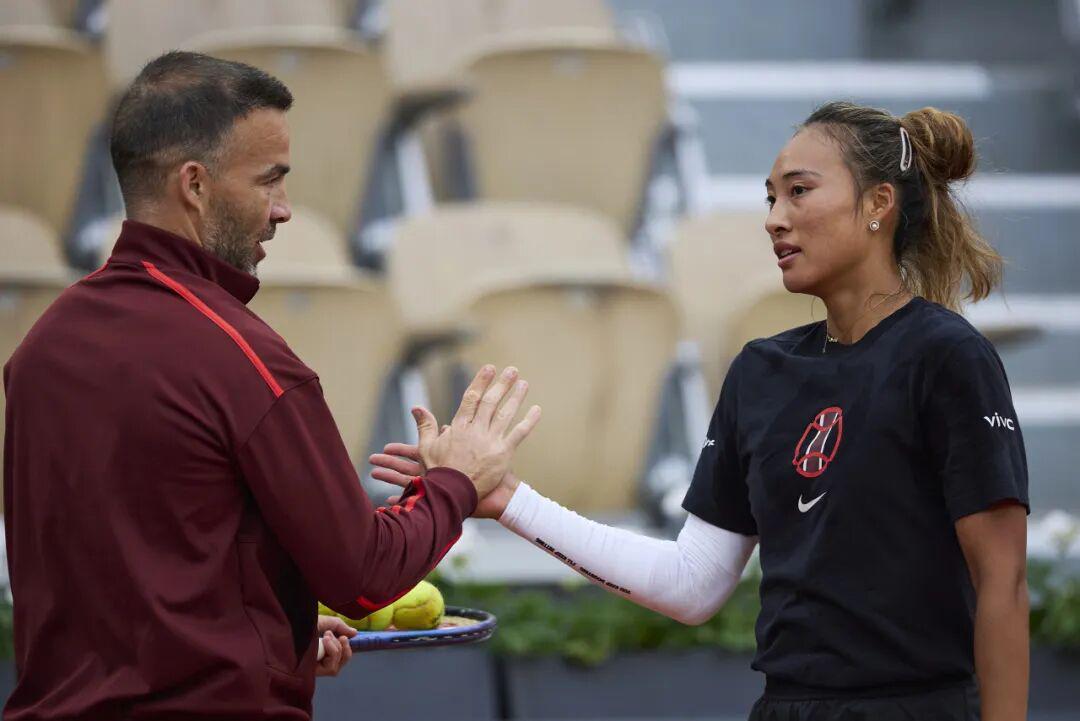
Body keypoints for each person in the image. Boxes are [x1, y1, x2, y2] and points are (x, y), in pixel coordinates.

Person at [372, 102, 1030, 721]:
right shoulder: (760, 370)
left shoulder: (948, 356)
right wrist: (507, 499)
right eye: (770, 198)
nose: (774, 218)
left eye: (799, 191)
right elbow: (693, 584)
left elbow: (1002, 584)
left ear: (878, 204)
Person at [2, 51, 540, 720]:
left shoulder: (40, 349)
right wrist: (456, 480)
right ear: (194, 185)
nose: (284, 210)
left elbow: (129, 575)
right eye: (269, 181)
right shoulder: (240, 356)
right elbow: (366, 574)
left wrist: (267, 635)